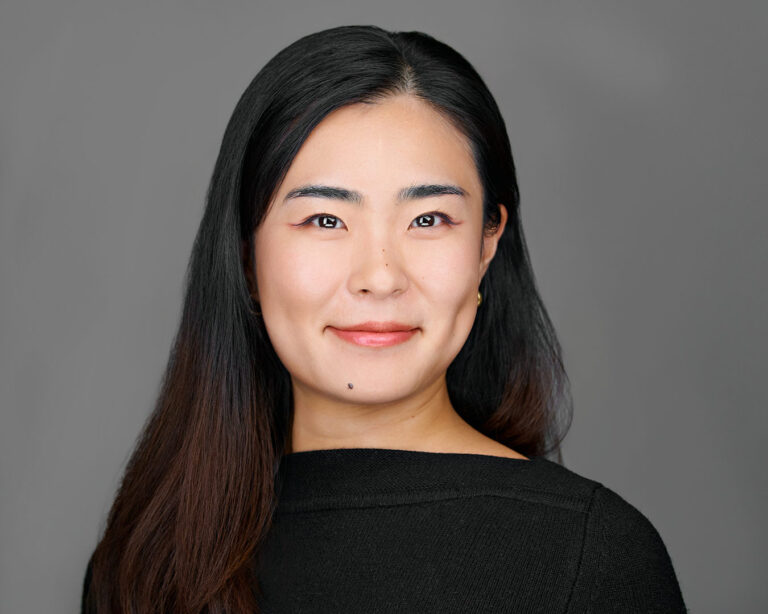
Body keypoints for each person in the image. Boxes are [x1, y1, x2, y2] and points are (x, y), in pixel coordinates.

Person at [80, 25, 687, 613]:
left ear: (486, 245)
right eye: (324, 220)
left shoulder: (593, 557)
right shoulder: (146, 562)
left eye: (428, 220)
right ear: (246, 253)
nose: (380, 276)